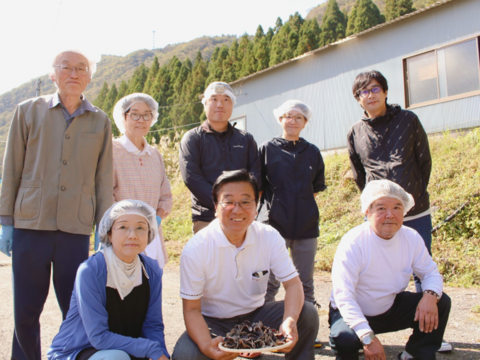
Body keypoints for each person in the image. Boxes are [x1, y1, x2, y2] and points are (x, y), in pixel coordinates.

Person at [0, 50, 113, 360]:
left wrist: (104, 231)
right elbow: (11, 169)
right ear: (53, 74)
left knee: (76, 308)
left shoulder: (100, 120)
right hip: (30, 223)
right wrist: (6, 221)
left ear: (89, 77)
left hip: (75, 227)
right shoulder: (27, 111)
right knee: (26, 310)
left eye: (81, 69)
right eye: (66, 67)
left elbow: (103, 179)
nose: (73, 73)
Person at [347, 70, 451, 352]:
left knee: (422, 270)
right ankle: (360, 327)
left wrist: (410, 198)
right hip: (378, 217)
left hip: (413, 211)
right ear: (358, 99)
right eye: (363, 92)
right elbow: (359, 173)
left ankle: (428, 328)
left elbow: (424, 161)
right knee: (373, 268)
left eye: (375, 89)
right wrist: (374, 206)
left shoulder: (408, 120)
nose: (370, 95)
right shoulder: (356, 131)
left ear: (385, 91)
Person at [172, 170, 319, 360]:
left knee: (306, 313)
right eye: (228, 201)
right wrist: (206, 345)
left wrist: (289, 319)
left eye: (245, 201)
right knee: (186, 355)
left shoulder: (269, 236)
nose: (237, 209)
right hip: (213, 322)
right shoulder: (197, 248)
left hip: (257, 316)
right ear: (216, 207)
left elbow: (292, 284)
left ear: (256, 207)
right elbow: (191, 310)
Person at [329, 180, 451, 360]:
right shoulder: (353, 242)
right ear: (367, 212)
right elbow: (344, 297)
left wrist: (430, 295)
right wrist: (368, 338)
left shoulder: (411, 238)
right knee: (344, 339)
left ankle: (414, 355)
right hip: (351, 311)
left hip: (389, 306)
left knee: (440, 302)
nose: (390, 215)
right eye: (381, 208)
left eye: (396, 207)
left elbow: (430, 273)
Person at [48, 200, 169, 360]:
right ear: (109, 233)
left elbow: (153, 325)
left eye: (140, 228)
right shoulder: (91, 271)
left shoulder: (151, 270)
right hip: (80, 351)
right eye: (123, 227)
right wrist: (151, 349)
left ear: (149, 233)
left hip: (127, 350)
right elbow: (98, 337)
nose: (132, 235)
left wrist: (162, 355)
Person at [258, 100, 326, 347]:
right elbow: (258, 188)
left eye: (299, 117)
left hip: (306, 226)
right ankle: (263, 330)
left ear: (305, 122)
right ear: (280, 120)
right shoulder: (266, 148)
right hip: (274, 225)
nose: (293, 121)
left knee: (304, 282)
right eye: (288, 116)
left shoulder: (313, 152)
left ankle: (306, 331)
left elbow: (315, 189)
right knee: (269, 282)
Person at [179, 81, 261, 234]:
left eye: (226, 100)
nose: (220, 104)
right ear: (205, 105)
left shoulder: (246, 139)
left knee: (246, 256)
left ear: (232, 105)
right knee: (210, 258)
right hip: (207, 216)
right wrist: (222, 204)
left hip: (242, 215)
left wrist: (241, 204)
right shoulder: (192, 138)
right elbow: (192, 177)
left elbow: (256, 175)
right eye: (214, 99)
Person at [109, 93, 173, 268]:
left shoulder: (154, 154)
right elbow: (105, 195)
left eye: (147, 115)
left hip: (152, 234)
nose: (141, 120)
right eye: (135, 114)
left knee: (151, 287)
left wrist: (156, 218)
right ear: (123, 117)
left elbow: (166, 195)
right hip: (122, 235)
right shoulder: (112, 150)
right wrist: (130, 223)